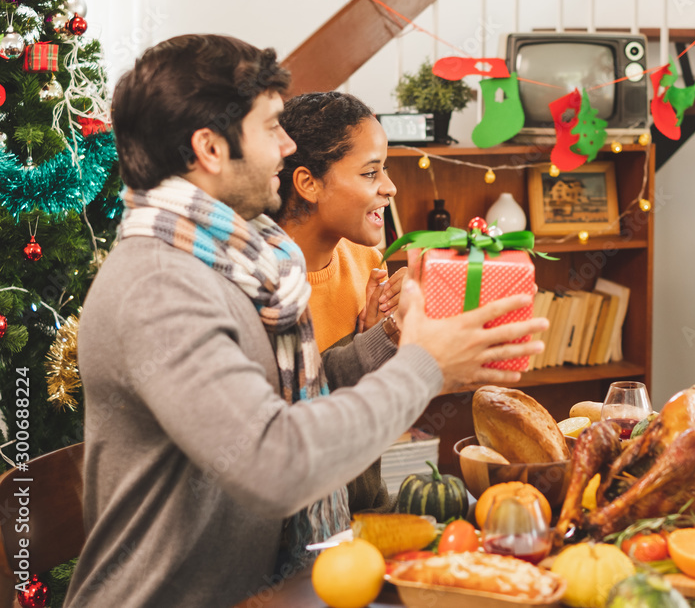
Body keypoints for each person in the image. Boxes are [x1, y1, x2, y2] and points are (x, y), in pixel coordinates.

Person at [66, 34, 547, 607]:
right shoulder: (161, 287)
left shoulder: (241, 260)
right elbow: (276, 461)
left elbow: (298, 398)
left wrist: (401, 337)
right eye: (271, 128)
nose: (287, 144)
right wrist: (425, 365)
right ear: (210, 148)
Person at [270, 91, 404, 515]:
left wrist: (383, 338)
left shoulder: (366, 261)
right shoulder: (260, 287)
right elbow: (289, 424)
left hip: (365, 511)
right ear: (308, 183)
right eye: (370, 173)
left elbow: (367, 417)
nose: (390, 187)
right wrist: (377, 342)